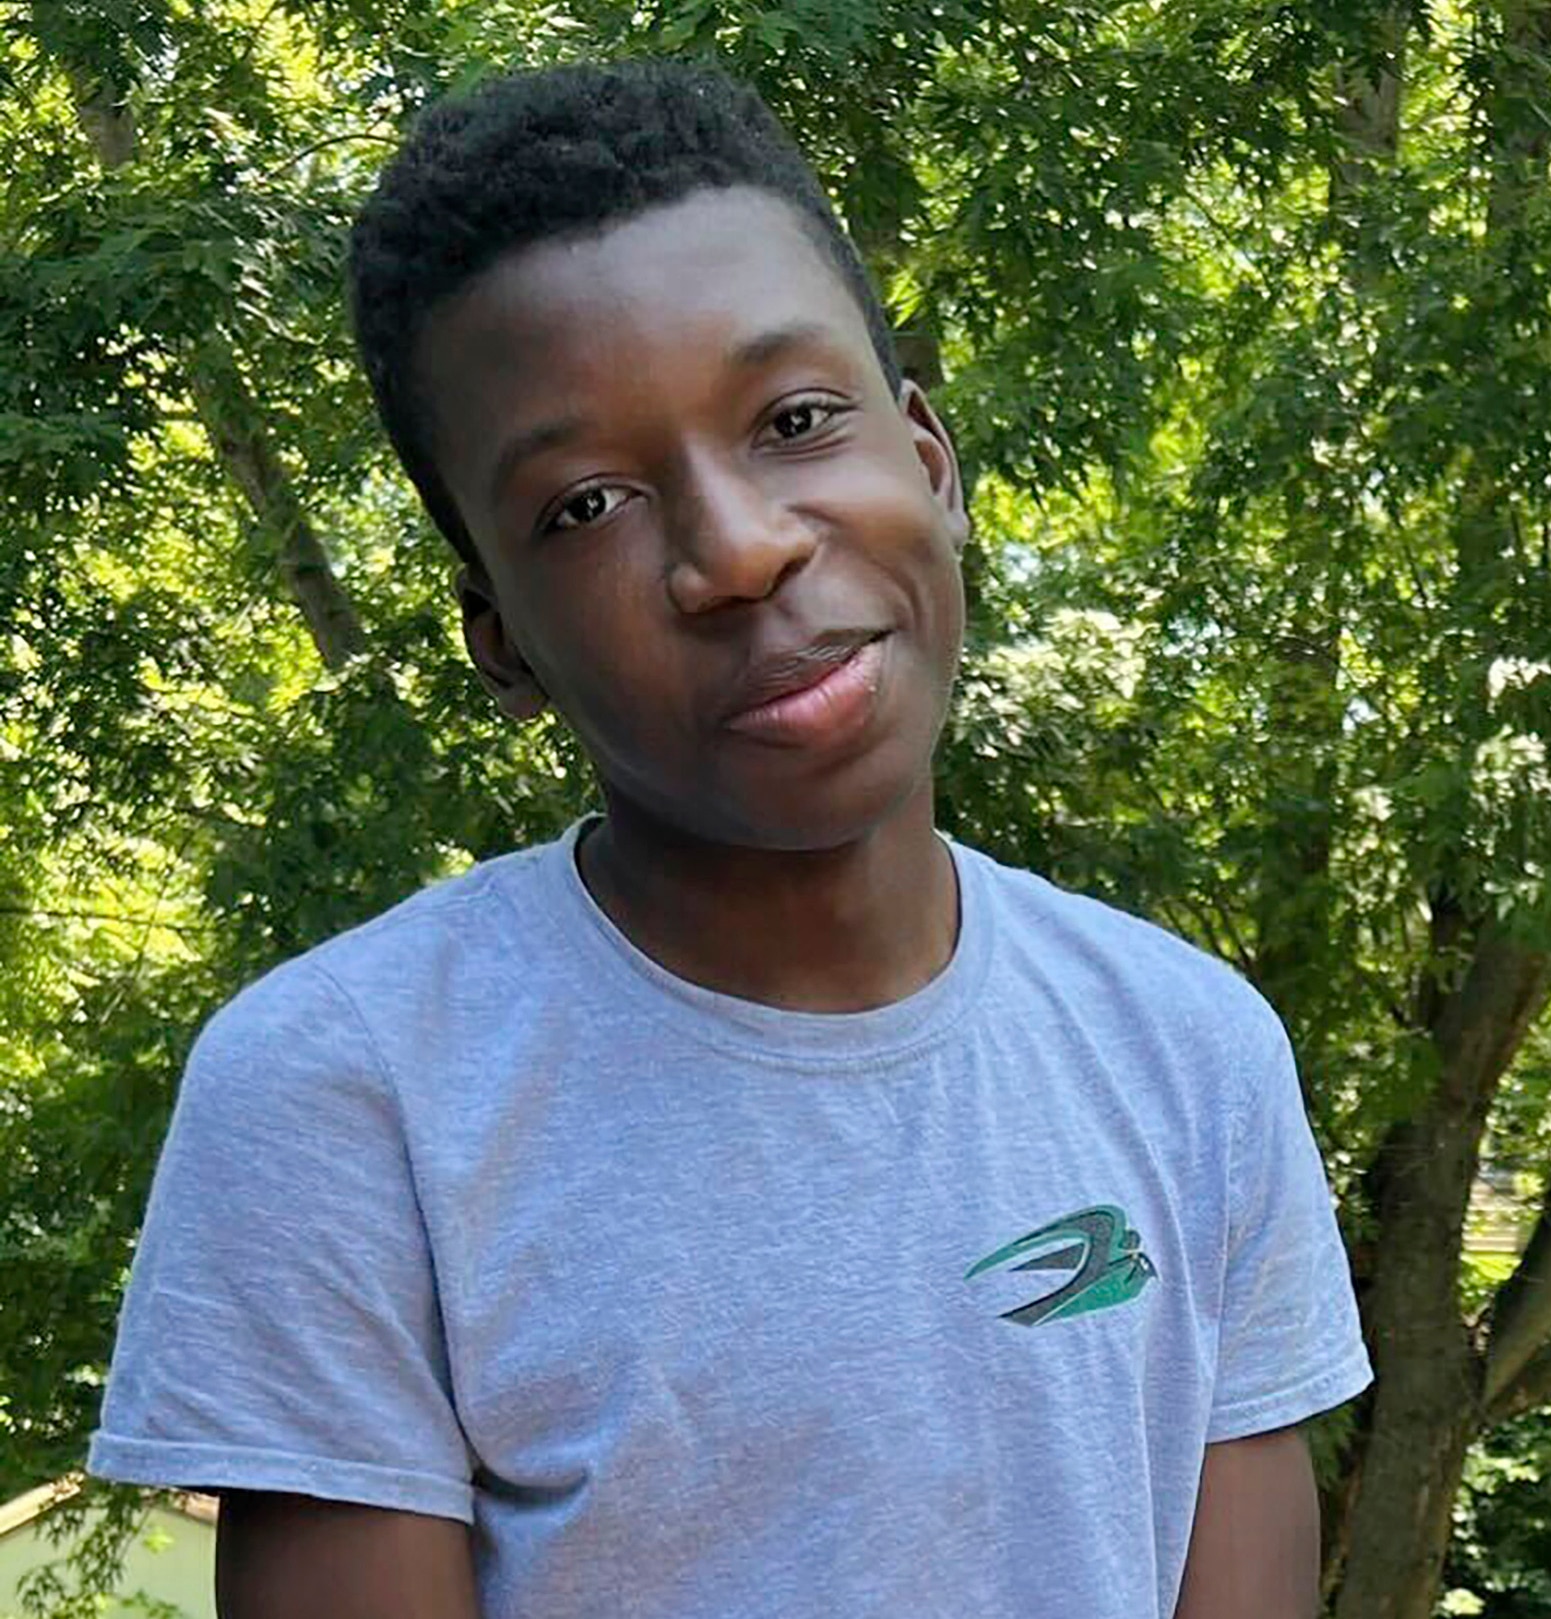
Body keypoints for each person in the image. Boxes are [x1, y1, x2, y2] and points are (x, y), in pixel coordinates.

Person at [84, 59, 1370, 1619]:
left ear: (929, 461)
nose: (739, 550)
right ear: (499, 638)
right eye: (585, 506)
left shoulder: (1190, 1057)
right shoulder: (348, 1101)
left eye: (795, 419)